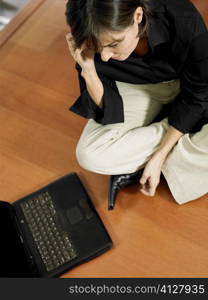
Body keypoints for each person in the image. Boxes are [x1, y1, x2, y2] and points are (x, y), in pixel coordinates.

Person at [65, 0, 208, 209]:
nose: (104, 57)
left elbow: (199, 92)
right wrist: (88, 71)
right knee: (89, 155)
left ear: (138, 16)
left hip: (189, 84)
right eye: (98, 48)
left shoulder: (183, 18)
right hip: (140, 87)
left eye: (114, 44)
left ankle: (166, 147)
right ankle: (184, 132)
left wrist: (159, 156)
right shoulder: (86, 22)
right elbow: (106, 110)